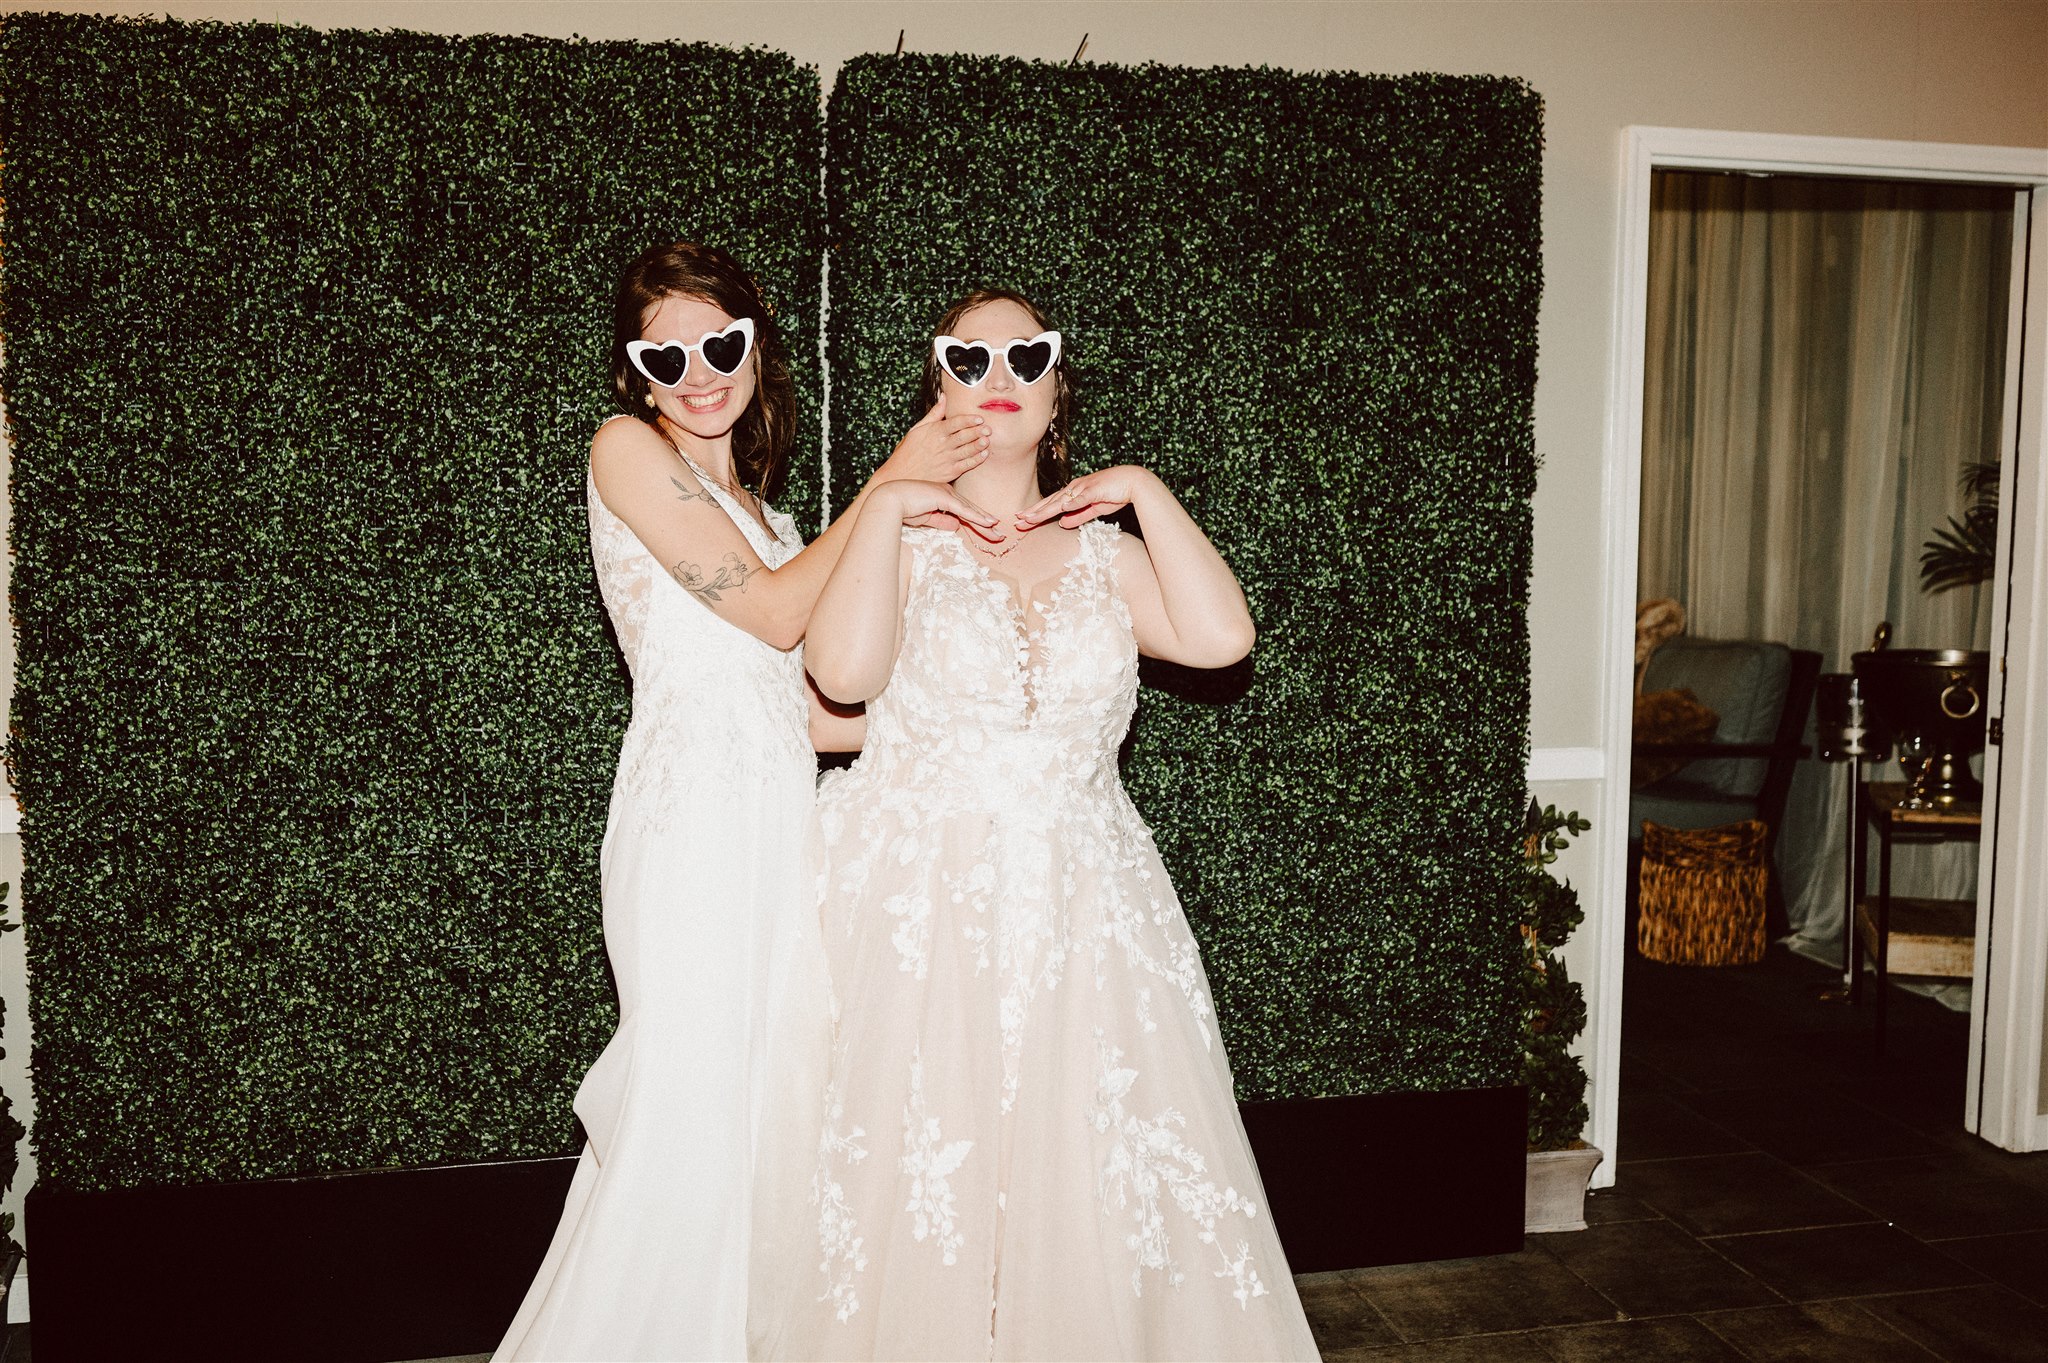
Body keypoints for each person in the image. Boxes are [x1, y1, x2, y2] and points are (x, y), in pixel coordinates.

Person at [781, 288, 1321, 1361]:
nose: (997, 377)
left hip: (1088, 908)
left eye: (1023, 356)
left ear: (1054, 386)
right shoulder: (898, 538)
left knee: (1084, 1175)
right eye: (966, 358)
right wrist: (889, 503)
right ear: (935, 387)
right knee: (924, 1176)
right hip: (918, 911)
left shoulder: (1103, 554)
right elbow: (839, 674)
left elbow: (1221, 639)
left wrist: (1140, 491)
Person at [494, 241, 995, 1363]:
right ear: (635, 373)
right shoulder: (624, 451)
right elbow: (774, 618)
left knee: (775, 1114)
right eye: (664, 354)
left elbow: (813, 714)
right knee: (691, 1115)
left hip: (779, 825)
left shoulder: (761, 511)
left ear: (754, 347)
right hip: (692, 831)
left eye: (719, 343)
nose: (698, 371)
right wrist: (892, 481)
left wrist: (994, 733)